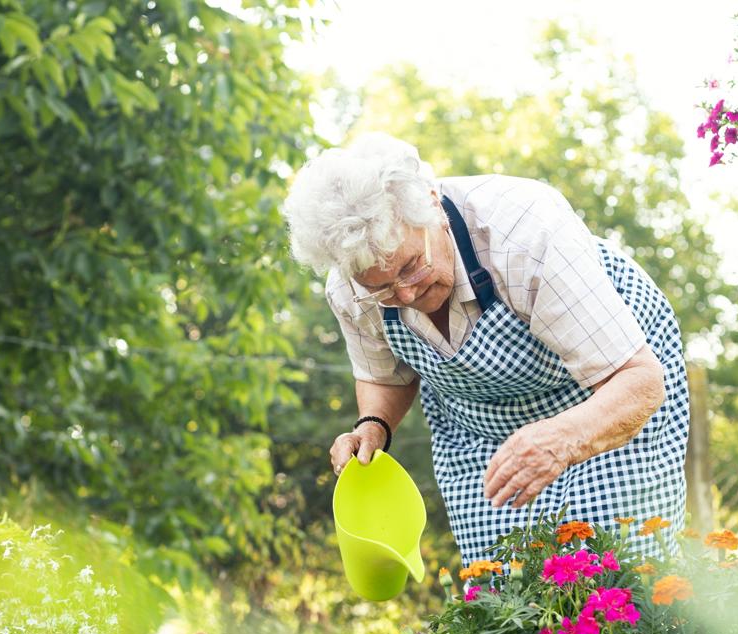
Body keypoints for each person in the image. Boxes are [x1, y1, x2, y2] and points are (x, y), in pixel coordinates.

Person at [282, 133, 690, 565]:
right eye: (380, 288)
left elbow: (639, 381)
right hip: (479, 423)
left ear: (433, 207)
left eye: (410, 267)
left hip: (607, 393)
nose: (404, 295)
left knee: (614, 571)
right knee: (503, 586)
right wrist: (372, 427)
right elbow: (384, 375)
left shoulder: (525, 234)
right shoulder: (350, 288)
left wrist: (562, 438)